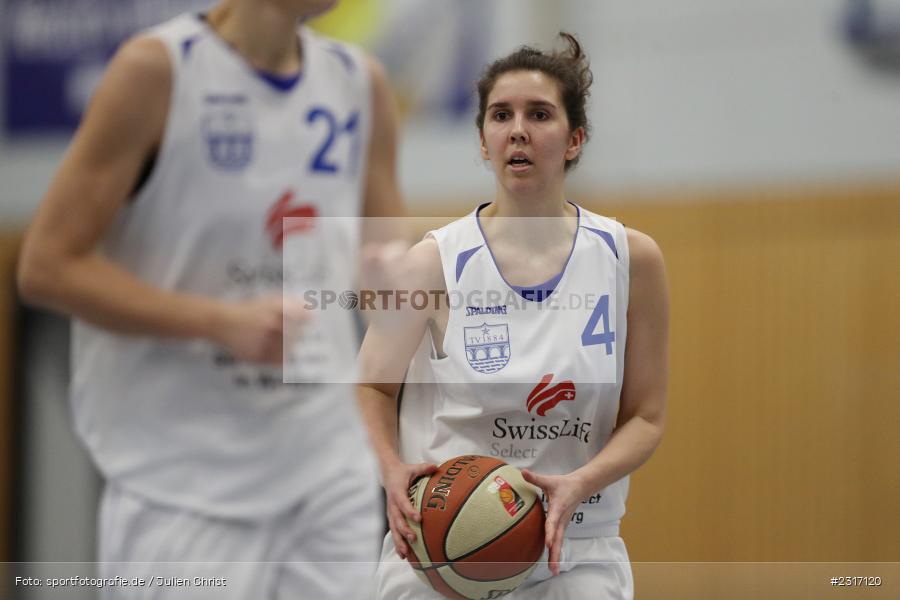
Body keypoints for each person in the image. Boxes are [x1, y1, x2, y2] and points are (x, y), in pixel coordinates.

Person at [17, 0, 404, 598]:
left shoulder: (359, 82)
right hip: (184, 482)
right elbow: (46, 266)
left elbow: (389, 263)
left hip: (327, 466)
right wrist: (218, 322)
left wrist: (402, 277)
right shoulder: (158, 70)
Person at [357, 33, 669, 599]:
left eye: (540, 114)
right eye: (501, 115)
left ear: (574, 140)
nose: (518, 129)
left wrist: (579, 483)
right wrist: (390, 470)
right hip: (438, 550)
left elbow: (645, 417)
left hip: (576, 549)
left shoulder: (631, 258)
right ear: (482, 140)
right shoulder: (432, 261)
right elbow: (371, 385)